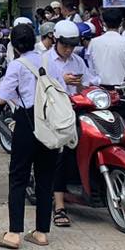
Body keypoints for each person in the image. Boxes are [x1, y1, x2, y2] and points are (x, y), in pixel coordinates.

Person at [0, 22, 57, 250]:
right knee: (45, 178)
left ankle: (14, 233)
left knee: (18, 177)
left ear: (15, 46)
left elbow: (2, 96)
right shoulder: (48, 60)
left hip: (27, 123)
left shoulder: (17, 65)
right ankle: (41, 232)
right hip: (50, 122)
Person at [45, 19, 97, 229]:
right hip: (55, 115)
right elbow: (41, 85)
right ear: (55, 40)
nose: (68, 50)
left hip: (78, 111)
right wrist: (61, 81)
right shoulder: (45, 60)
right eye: (64, 45)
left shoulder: (77, 61)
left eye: (72, 46)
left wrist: (83, 83)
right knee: (61, 155)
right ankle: (59, 205)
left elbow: (92, 81)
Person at [87, 14, 125, 89]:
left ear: (103, 23)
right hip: (121, 87)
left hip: (99, 88)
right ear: (121, 23)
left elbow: (91, 67)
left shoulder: (94, 42)